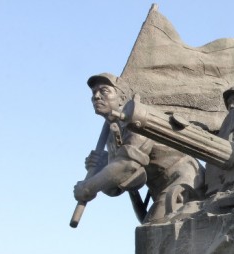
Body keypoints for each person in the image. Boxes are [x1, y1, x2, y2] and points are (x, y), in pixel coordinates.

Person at [73, 73, 204, 223]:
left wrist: (88, 187)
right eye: (94, 92)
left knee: (154, 232)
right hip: (160, 190)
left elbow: (128, 165)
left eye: (104, 91)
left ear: (122, 98)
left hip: (184, 182)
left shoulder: (137, 119)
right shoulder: (113, 134)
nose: (96, 96)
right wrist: (101, 168)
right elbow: (115, 188)